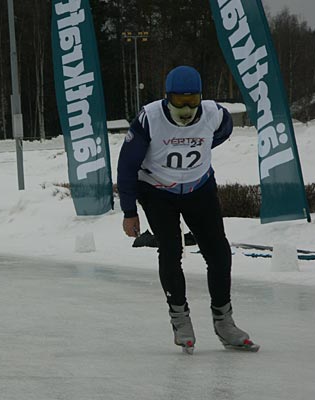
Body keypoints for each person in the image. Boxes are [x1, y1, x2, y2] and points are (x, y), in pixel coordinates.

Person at [116, 65, 258, 354]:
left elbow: (222, 132)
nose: (186, 108)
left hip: (199, 188)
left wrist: (198, 152)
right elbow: (127, 165)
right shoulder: (150, 119)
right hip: (156, 192)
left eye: (192, 100)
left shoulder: (214, 114)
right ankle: (180, 319)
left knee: (218, 252)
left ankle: (224, 321)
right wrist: (129, 211)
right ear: (167, 97)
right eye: (179, 101)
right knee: (170, 249)